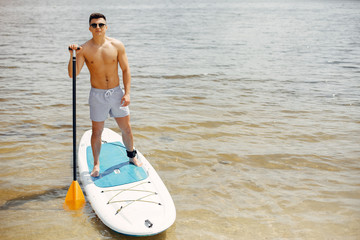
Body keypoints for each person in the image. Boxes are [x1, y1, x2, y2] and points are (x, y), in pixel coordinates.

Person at [68, 13, 142, 178]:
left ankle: (131, 156)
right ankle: (96, 164)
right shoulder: (84, 49)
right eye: (94, 25)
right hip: (97, 95)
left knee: (126, 129)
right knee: (97, 132)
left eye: (101, 25)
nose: (98, 28)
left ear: (106, 27)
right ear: (90, 28)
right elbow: (73, 74)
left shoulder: (117, 45)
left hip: (117, 93)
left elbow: (125, 70)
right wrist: (72, 55)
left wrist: (128, 93)